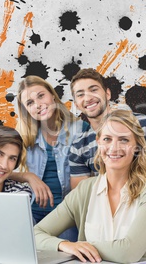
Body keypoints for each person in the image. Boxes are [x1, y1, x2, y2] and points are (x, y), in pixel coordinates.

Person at [68, 68, 146, 257]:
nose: (88, 97)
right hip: (104, 235)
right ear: (76, 103)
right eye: (80, 94)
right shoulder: (78, 146)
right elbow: (82, 201)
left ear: (107, 93)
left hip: (145, 222)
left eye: (93, 89)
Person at [35, 110, 146, 263]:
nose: (114, 147)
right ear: (98, 142)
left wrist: (84, 246)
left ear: (137, 146)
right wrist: (64, 245)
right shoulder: (84, 190)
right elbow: (36, 233)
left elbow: (128, 253)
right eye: (107, 139)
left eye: (124, 140)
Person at [11, 76, 88, 238]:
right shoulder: (23, 136)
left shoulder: (80, 129)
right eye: (30, 103)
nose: (38, 105)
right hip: (32, 213)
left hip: (66, 214)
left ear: (52, 96)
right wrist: (28, 176)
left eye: (41, 96)